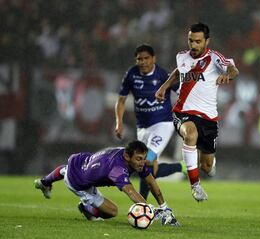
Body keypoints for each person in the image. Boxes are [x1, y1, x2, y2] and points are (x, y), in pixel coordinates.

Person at [155, 23, 239, 201]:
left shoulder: (214, 58)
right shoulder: (181, 56)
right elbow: (179, 72)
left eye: (198, 42)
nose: (193, 45)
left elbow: (233, 69)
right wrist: (164, 86)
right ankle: (195, 186)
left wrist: (227, 75)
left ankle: (209, 165)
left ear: (207, 41)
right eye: (190, 41)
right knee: (190, 134)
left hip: (208, 118)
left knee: (206, 166)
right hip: (182, 111)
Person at [34, 140, 179, 226]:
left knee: (67, 170)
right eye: (139, 159)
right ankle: (87, 209)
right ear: (127, 156)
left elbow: (151, 182)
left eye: (144, 158)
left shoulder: (130, 158)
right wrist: (151, 210)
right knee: (112, 212)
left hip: (80, 160)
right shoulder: (117, 168)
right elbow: (130, 191)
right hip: (79, 183)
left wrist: (164, 207)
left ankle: (45, 182)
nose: (142, 162)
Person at [115, 44, 186, 200]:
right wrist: (119, 123)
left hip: (163, 124)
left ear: (154, 58)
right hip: (142, 128)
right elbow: (121, 101)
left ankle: (143, 205)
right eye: (139, 59)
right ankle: (182, 167)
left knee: (144, 162)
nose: (143, 62)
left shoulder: (162, 75)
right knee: (149, 171)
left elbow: (183, 93)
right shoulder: (131, 75)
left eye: (146, 58)